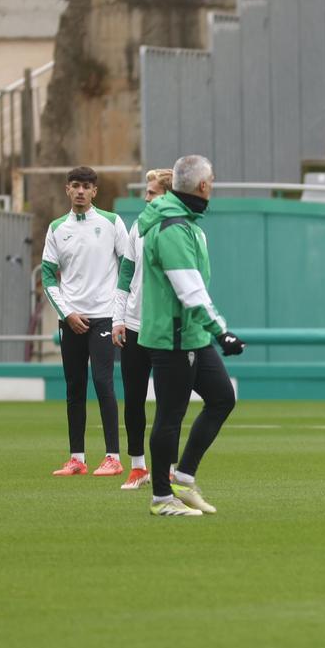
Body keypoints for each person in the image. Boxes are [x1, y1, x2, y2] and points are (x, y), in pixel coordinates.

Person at [137, 155, 245, 517]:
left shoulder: (187, 224)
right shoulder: (172, 229)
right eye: (211, 180)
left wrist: (210, 330)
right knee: (170, 415)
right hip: (174, 336)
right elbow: (190, 290)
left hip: (192, 333)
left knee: (222, 398)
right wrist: (223, 332)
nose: (212, 185)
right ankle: (161, 498)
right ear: (203, 185)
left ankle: (183, 477)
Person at [41, 166, 130, 477]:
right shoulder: (56, 228)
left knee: (103, 382)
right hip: (71, 319)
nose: (80, 191)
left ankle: (113, 457)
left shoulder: (111, 222)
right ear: (67, 189)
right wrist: (67, 313)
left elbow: (128, 266)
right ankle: (77, 458)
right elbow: (48, 276)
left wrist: (121, 310)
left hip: (104, 315)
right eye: (75, 185)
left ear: (95, 191)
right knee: (74, 387)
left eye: (86, 186)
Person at [110, 168, 173, 490]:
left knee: (167, 403)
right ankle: (137, 467)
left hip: (164, 327)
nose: (145, 198)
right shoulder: (138, 226)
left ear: (168, 195)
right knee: (133, 400)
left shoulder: (180, 230)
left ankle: (169, 467)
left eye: (152, 193)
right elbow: (126, 274)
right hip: (134, 326)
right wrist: (117, 319)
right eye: (146, 192)